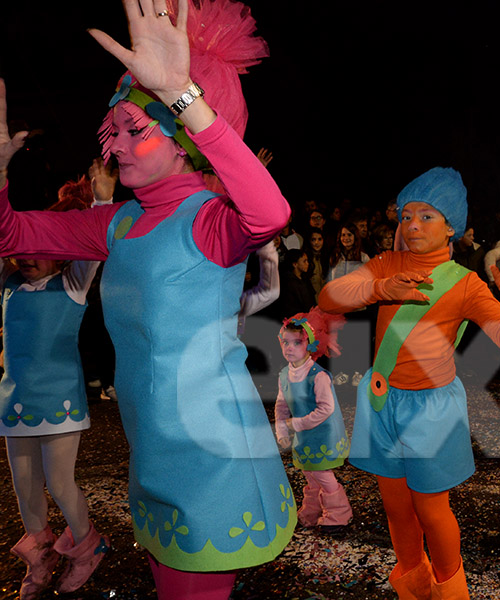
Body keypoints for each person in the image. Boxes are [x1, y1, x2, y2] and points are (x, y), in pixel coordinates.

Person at [0, 0, 295, 596]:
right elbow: (12, 234)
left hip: (212, 459)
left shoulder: (209, 218)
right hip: (153, 456)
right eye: (117, 131)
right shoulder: (115, 223)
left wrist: (184, 94)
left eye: (139, 131)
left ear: (186, 140)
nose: (122, 147)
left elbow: (271, 213)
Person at [318, 167, 500, 598]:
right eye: (407, 215)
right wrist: (380, 287)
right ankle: (413, 582)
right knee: (396, 509)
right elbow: (330, 297)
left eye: (427, 216)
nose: (412, 225)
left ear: (451, 226)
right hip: (382, 401)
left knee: (432, 510)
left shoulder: (466, 283)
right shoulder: (387, 263)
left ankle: (451, 591)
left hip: (431, 408)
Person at [1, 177, 110, 599]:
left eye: (41, 249)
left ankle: (87, 546)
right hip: (15, 401)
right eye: (22, 247)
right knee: (25, 487)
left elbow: (94, 240)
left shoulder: (72, 283)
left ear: (62, 255)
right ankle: (42, 554)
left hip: (60, 402)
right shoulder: (9, 284)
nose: (27, 256)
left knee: (61, 483)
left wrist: (102, 198)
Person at [274, 309, 352, 531]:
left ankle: (339, 515)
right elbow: (281, 404)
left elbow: (326, 409)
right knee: (309, 473)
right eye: (285, 342)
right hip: (304, 435)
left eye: (296, 343)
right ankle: (312, 511)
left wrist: (295, 424)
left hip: (323, 434)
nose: (289, 348)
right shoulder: (283, 375)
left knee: (322, 474)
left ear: (309, 345)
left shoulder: (318, 376)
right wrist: (281, 431)